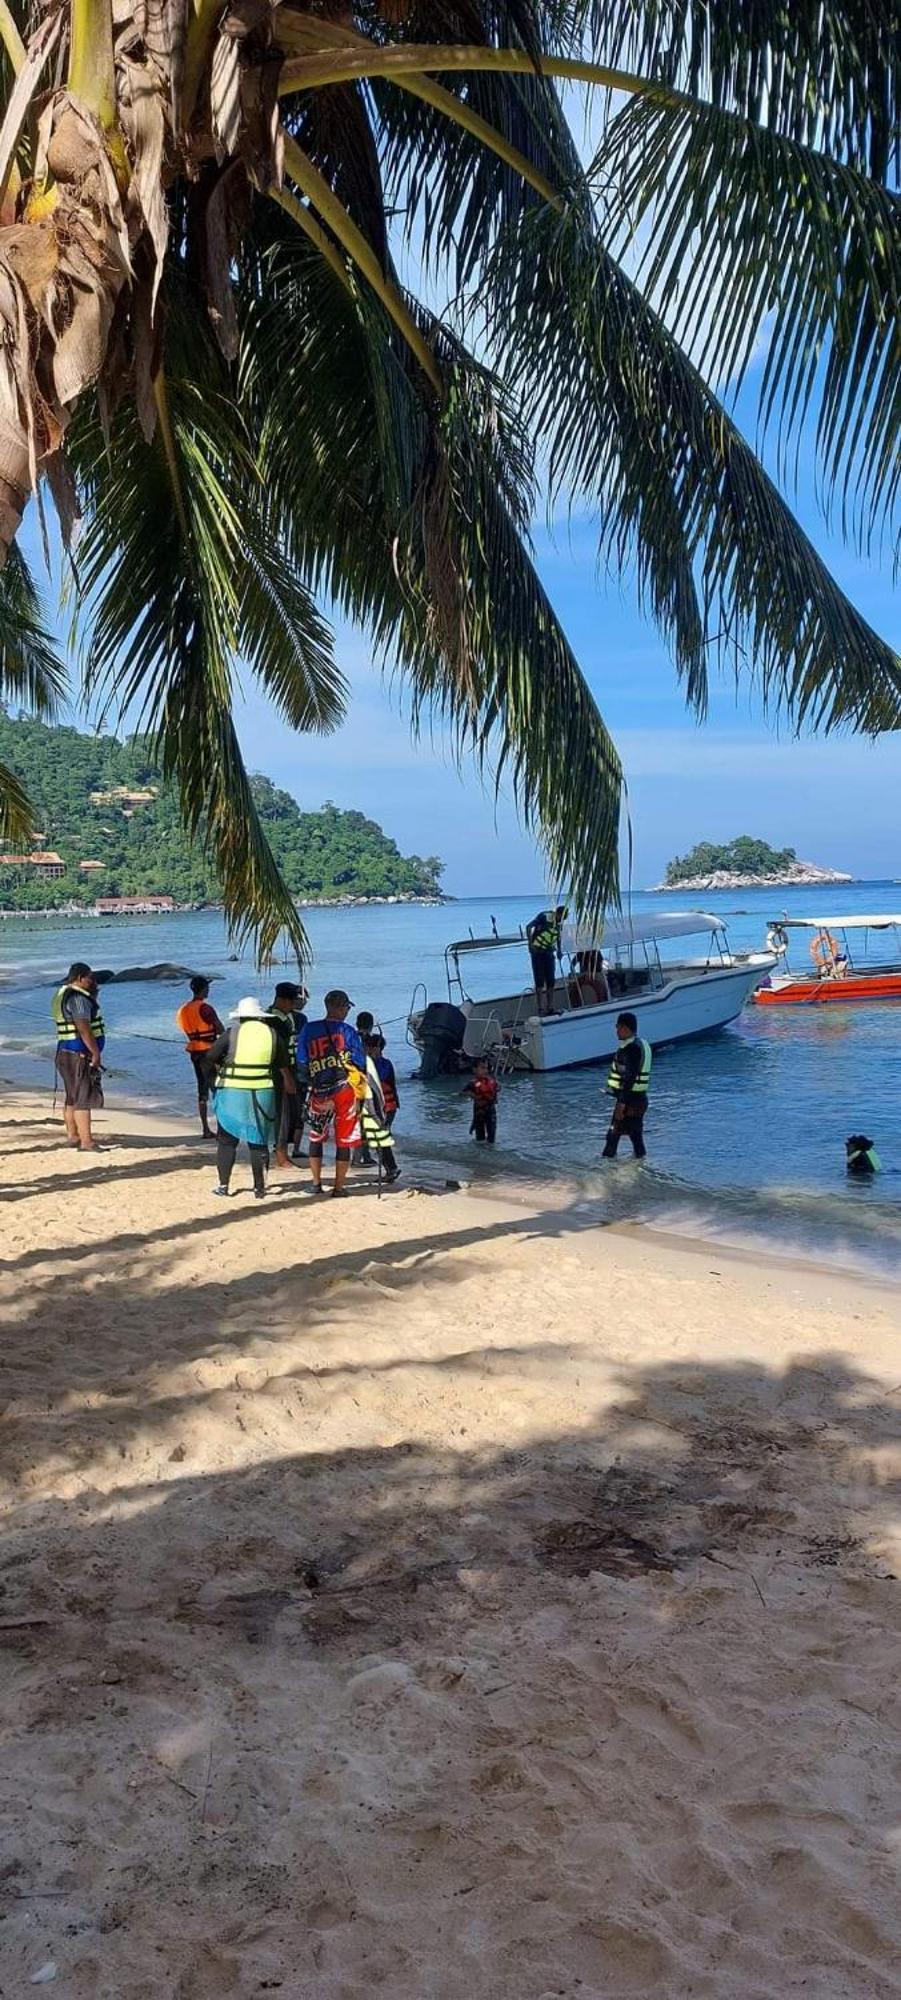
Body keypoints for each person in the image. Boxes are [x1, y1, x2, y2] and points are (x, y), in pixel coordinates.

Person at [207, 997, 282, 1199]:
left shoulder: (231, 1034)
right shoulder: (272, 1034)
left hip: (232, 1092)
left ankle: (223, 1186)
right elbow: (281, 1064)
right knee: (258, 1140)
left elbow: (209, 1058)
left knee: (227, 1140)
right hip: (262, 1093)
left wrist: (213, 1081)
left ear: (240, 1016)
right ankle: (259, 1189)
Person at [295, 990, 367, 1197]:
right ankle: (339, 1187)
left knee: (316, 1136)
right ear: (339, 1007)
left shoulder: (309, 1029)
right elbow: (361, 1062)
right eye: (346, 1007)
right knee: (343, 1139)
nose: (347, 1011)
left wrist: (309, 1082)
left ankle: (316, 1184)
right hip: (344, 1090)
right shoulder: (348, 1031)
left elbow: (301, 1063)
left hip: (319, 1090)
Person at [52, 961, 106, 1151]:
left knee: (72, 1096)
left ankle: (73, 1135)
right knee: (83, 1096)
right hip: (78, 1054)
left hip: (64, 1052)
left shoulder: (62, 993)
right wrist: (95, 1053)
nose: (93, 981)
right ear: (81, 978)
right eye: (91, 978)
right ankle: (86, 1142)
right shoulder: (78, 999)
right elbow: (84, 1028)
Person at [175, 976, 223, 1136]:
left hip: (194, 1051)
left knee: (202, 1090)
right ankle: (222, 1128)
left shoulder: (183, 1009)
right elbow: (220, 1029)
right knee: (217, 1088)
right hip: (209, 1052)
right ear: (203, 989)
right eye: (207, 987)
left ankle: (205, 1128)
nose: (209, 990)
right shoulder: (206, 1008)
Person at [265, 981, 305, 1169]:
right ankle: (281, 1154)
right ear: (281, 1000)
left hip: (292, 1067)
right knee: (282, 1112)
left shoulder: (287, 1016)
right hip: (280, 1071)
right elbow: (277, 1051)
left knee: (291, 1112)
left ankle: (284, 1150)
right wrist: (287, 1075)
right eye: (290, 1001)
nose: (293, 1005)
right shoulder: (273, 1020)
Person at [602, 1012, 652, 1160]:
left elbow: (630, 1078)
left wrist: (621, 1104)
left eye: (618, 1027)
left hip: (630, 1102)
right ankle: (641, 1170)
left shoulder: (631, 1049)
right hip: (639, 1100)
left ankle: (604, 1171)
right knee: (636, 1137)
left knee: (613, 1137)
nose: (616, 1031)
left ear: (626, 1028)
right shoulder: (642, 1044)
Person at [361, 1034, 401, 1182]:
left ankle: (391, 1168)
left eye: (370, 1047)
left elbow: (379, 1078)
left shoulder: (384, 1064)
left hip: (387, 1107)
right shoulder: (366, 1063)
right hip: (374, 1106)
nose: (367, 1050)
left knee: (380, 1136)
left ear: (376, 1048)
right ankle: (390, 1168)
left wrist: (371, 1061)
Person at [525, 903, 568, 1016]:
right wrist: (530, 944)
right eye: (561, 917)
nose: (561, 920)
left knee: (551, 981)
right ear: (557, 913)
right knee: (539, 981)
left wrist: (559, 950)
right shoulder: (544, 916)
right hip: (537, 953)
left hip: (549, 953)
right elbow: (528, 927)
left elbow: (558, 936)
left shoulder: (559, 924)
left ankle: (550, 1007)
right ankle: (540, 1009)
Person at [461, 1058, 499, 1143]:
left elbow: (497, 1088)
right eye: (482, 1068)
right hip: (479, 1112)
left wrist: (495, 1097)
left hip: (491, 1111)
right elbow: (463, 1092)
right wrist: (473, 1095)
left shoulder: (492, 1081)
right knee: (480, 1136)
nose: (485, 1070)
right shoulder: (473, 1083)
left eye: (486, 1068)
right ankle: (479, 1153)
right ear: (474, 1070)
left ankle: (490, 1152)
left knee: (492, 1134)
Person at [372, 1034, 399, 1127]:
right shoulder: (365, 1062)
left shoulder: (385, 1064)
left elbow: (380, 1076)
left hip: (387, 1105)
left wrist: (376, 1060)